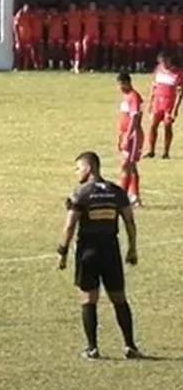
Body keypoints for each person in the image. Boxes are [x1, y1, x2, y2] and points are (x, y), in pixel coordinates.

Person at [57, 151, 141, 360]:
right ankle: (130, 346)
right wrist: (132, 248)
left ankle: (92, 348)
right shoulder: (116, 191)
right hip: (111, 251)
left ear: (89, 168)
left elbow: (69, 226)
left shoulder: (81, 193)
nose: (77, 172)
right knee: (119, 298)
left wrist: (63, 252)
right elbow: (129, 222)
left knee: (89, 299)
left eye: (78, 168)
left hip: (88, 252)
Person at [116, 72, 144, 207]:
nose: (119, 87)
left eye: (121, 84)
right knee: (128, 165)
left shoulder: (134, 97)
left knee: (128, 164)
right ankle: (132, 196)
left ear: (127, 82)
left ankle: (127, 196)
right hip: (125, 133)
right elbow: (123, 117)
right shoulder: (125, 97)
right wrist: (120, 135)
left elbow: (134, 117)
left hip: (133, 135)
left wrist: (128, 135)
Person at [145, 52, 181, 159]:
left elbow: (180, 93)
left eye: (166, 62)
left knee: (167, 126)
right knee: (153, 125)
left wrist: (175, 108)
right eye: (162, 62)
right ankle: (151, 151)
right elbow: (154, 87)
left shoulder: (178, 73)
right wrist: (150, 103)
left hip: (169, 104)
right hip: (157, 102)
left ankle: (166, 152)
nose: (164, 64)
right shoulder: (158, 70)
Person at [13, 4, 35, 70]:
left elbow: (31, 25)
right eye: (26, 10)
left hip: (28, 37)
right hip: (21, 37)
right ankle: (17, 67)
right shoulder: (19, 15)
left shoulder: (30, 15)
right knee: (18, 52)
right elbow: (15, 27)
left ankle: (25, 67)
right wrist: (17, 38)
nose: (27, 12)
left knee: (27, 53)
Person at [82, 1, 102, 72]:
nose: (92, 7)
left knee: (94, 51)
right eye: (91, 5)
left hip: (96, 34)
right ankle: (85, 66)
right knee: (86, 51)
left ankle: (93, 67)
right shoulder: (85, 12)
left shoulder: (98, 13)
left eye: (94, 5)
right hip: (87, 34)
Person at [136, 3, 155, 72]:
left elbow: (153, 27)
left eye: (147, 8)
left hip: (148, 37)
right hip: (140, 36)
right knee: (139, 52)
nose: (146, 9)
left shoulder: (151, 16)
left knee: (147, 53)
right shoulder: (139, 15)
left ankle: (145, 67)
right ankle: (138, 67)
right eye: (144, 8)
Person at [102, 3, 122, 71]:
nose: (111, 8)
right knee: (106, 51)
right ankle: (106, 65)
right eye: (109, 6)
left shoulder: (117, 14)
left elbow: (120, 25)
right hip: (107, 35)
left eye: (112, 6)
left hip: (115, 35)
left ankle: (114, 66)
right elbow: (102, 24)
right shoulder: (105, 14)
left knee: (115, 52)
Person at [66, 2, 84, 73]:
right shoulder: (67, 14)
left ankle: (76, 66)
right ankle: (72, 65)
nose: (72, 7)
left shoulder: (79, 13)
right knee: (70, 51)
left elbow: (83, 22)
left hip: (77, 35)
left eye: (73, 6)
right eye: (71, 6)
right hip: (70, 35)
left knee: (78, 50)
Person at [46, 6, 65, 70]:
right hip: (51, 36)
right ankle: (51, 66)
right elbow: (46, 24)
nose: (53, 12)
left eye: (54, 10)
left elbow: (65, 23)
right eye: (52, 11)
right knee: (51, 52)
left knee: (60, 51)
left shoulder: (61, 17)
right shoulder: (50, 18)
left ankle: (61, 66)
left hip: (60, 36)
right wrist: (49, 17)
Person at [120, 4, 137, 72]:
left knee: (130, 53)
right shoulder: (122, 17)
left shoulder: (133, 17)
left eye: (129, 9)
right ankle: (123, 66)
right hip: (123, 37)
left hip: (131, 37)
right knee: (123, 52)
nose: (127, 10)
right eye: (126, 9)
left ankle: (130, 66)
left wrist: (135, 38)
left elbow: (135, 27)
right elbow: (119, 27)